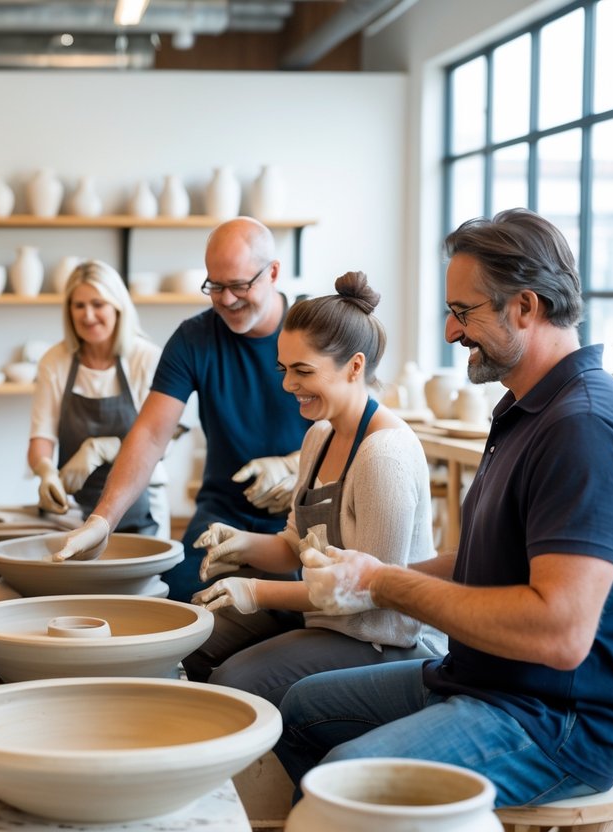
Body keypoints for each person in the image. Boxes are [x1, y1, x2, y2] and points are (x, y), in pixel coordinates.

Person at [275, 209, 613, 807]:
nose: (452, 332)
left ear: (525, 308)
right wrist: (364, 577)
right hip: (484, 679)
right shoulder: (524, 408)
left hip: (557, 721)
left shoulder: (584, 425)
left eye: (464, 312)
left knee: (342, 780)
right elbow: (486, 561)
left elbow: (559, 632)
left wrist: (382, 584)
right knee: (301, 709)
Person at [186, 271, 444, 698]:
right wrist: (243, 543)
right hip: (328, 618)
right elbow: (294, 543)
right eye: (284, 369)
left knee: (234, 681)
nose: (288, 385)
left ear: (354, 366)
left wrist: (255, 590)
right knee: (195, 639)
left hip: (384, 638)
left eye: (303, 371)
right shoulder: (319, 437)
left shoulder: (384, 455)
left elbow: (368, 592)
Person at [53, 217, 312, 602]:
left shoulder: (317, 328)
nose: (226, 299)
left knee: (294, 613)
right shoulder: (195, 338)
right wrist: (102, 521)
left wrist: (298, 467)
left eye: (239, 285)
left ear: (273, 272)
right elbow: (150, 434)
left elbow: (358, 420)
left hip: (306, 515)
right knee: (181, 602)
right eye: (215, 286)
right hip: (224, 512)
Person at [28, 260, 168, 537]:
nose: (88, 315)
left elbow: (164, 441)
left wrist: (102, 448)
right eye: (79, 305)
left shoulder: (146, 358)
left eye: (98, 303)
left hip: (141, 509)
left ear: (117, 305)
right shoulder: (55, 362)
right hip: (75, 512)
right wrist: (46, 473)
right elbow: (40, 438)